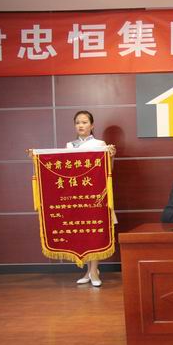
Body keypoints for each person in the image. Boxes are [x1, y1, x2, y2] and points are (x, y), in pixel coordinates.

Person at [68, 111, 116, 287]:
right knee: (83, 232)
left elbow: (108, 170)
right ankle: (88, 271)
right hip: (77, 195)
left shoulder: (100, 144)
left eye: (84, 122)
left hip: (95, 195)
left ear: (92, 125)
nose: (81, 125)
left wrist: (111, 156)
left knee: (94, 232)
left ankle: (94, 270)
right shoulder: (69, 146)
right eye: (77, 122)